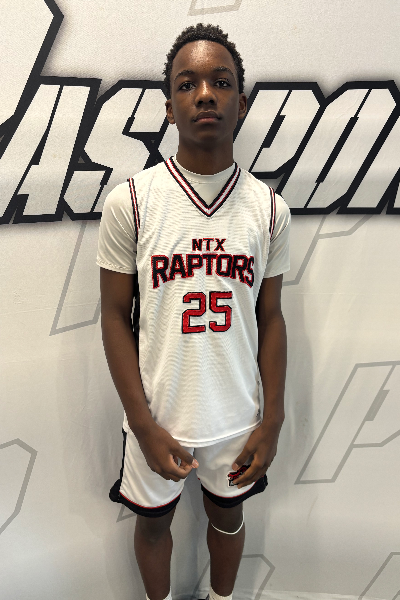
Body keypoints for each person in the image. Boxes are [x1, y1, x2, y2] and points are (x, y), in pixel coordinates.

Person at [96, 22, 290, 600]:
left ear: (242, 103)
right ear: (169, 107)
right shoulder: (132, 201)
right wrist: (143, 425)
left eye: (220, 82)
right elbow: (114, 316)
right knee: (153, 526)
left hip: (236, 415)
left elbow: (272, 318)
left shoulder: (269, 209)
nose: (205, 94)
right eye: (187, 84)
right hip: (159, 413)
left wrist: (273, 419)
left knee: (228, 516)